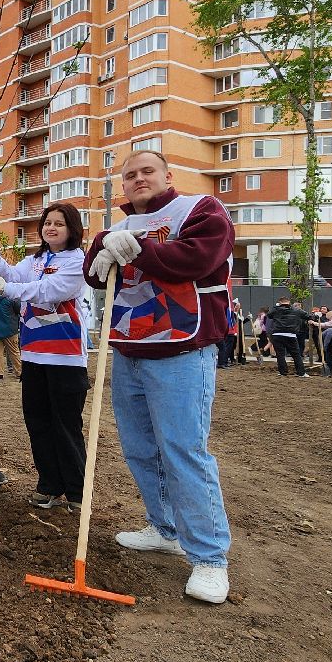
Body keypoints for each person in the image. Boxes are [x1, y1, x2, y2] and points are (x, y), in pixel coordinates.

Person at [84, 150, 235, 604]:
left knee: (183, 448)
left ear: (168, 175)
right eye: (129, 176)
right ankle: (164, 527)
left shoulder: (201, 210)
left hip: (182, 348)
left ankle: (210, 558)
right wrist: (102, 252)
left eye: (146, 171)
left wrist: (144, 250)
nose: (137, 180)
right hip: (130, 348)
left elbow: (197, 258)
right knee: (139, 447)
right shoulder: (118, 227)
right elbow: (96, 274)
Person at [0, 202, 90, 510]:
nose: (51, 228)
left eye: (59, 223)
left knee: (65, 425)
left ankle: (76, 492)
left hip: (65, 357)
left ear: (72, 229)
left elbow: (48, 291)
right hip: (34, 354)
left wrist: (9, 287)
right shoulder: (36, 259)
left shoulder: (76, 262)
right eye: (47, 223)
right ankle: (49, 485)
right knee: (38, 422)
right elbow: (15, 276)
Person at [266, 296, 308, 377]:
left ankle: (283, 372)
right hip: (290, 334)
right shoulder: (296, 310)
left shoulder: (276, 310)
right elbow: (307, 316)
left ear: (280, 302)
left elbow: (269, 315)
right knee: (296, 354)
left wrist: (276, 307)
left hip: (277, 334)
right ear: (289, 302)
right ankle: (301, 373)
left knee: (280, 355)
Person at [0, 287, 22, 380]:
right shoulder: (10, 298)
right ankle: (19, 372)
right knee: (14, 351)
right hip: (10, 330)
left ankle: (0, 373)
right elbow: (18, 310)